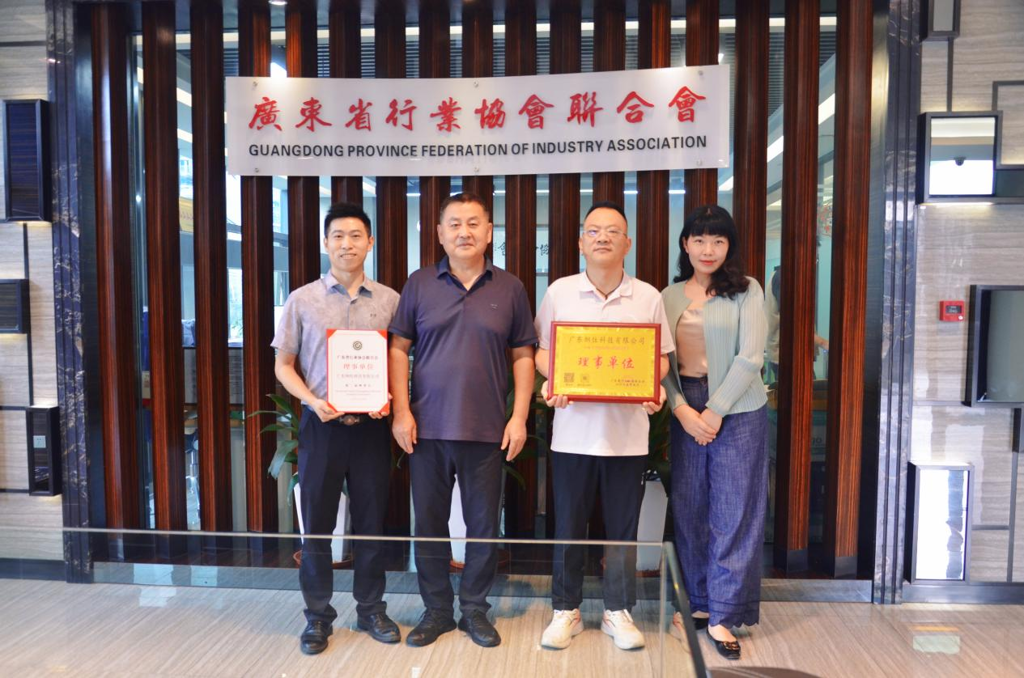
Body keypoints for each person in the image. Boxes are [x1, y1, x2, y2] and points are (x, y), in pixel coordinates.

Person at [388, 192, 537, 649]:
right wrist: (401, 411)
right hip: (426, 430)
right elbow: (398, 348)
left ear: (489, 233)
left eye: (474, 223)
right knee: (429, 526)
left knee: (483, 527)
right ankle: (436, 610)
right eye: (454, 224)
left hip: (487, 430)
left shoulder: (510, 288)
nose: (464, 232)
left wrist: (519, 417)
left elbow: (524, 355)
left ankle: (474, 609)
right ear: (439, 233)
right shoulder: (419, 284)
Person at [534, 201, 674, 651]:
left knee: (622, 530)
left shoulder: (648, 296)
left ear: (627, 243)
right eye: (594, 231)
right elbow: (542, 351)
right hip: (572, 435)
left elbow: (660, 358)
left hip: (626, 438)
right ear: (581, 242)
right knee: (568, 526)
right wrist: (554, 380)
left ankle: (618, 610)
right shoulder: (560, 291)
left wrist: (653, 385)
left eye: (613, 231)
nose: (603, 238)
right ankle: (566, 610)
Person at [271, 202, 401, 655]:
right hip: (321, 426)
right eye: (338, 236)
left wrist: (390, 398)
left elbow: (401, 362)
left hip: (371, 429)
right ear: (326, 243)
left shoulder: (389, 300)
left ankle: (371, 609)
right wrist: (311, 401)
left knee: (371, 524)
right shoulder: (302, 299)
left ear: (370, 243)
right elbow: (283, 365)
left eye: (356, 235)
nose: (347, 244)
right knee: (318, 527)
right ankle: (317, 616)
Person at [662, 205, 769, 661]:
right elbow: (659, 361)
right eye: (700, 239)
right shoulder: (667, 296)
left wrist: (716, 410)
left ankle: (724, 613)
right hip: (686, 406)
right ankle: (699, 602)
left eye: (719, 240)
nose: (709, 249)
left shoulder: (747, 290)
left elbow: (751, 356)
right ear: (685, 244)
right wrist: (682, 409)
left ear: (730, 246)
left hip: (739, 407)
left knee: (735, 510)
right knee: (690, 507)